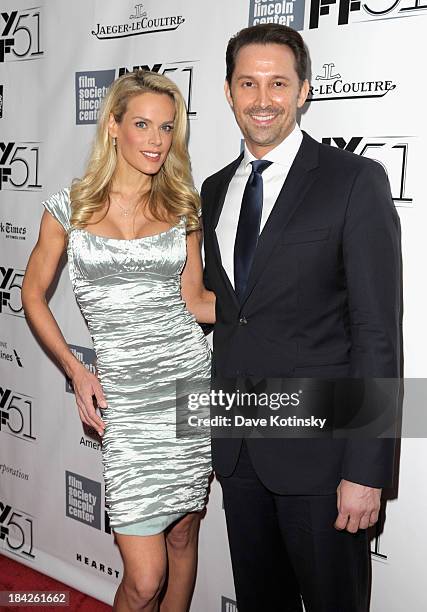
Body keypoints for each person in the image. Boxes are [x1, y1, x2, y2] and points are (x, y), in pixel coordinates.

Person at [200, 24, 401, 612]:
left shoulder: (352, 180)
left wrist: (367, 468)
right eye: (248, 84)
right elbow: (231, 314)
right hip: (237, 448)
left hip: (323, 458)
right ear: (229, 91)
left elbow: (377, 334)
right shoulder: (213, 191)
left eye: (278, 83)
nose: (263, 99)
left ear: (305, 90)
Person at [22, 70, 215, 612]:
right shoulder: (70, 208)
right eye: (142, 125)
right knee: (144, 576)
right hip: (125, 401)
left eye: (167, 128)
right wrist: (76, 371)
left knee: (182, 536)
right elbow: (31, 295)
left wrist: (276, 306)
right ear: (113, 127)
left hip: (188, 388)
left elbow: (198, 301)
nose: (157, 140)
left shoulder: (183, 207)